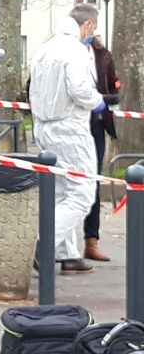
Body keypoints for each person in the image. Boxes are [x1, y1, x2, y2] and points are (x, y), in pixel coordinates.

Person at [29, 4, 118, 275]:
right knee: (81, 193)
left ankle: (67, 254)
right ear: (88, 24)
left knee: (60, 192)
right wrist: (99, 102)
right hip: (70, 126)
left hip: (44, 125)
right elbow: (79, 89)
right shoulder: (75, 50)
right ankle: (45, 245)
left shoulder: (45, 49)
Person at [81, 35, 121, 262]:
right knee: (65, 183)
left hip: (96, 123)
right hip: (70, 122)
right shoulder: (62, 52)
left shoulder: (102, 54)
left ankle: (91, 240)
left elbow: (113, 84)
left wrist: (110, 101)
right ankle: (59, 243)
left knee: (93, 180)